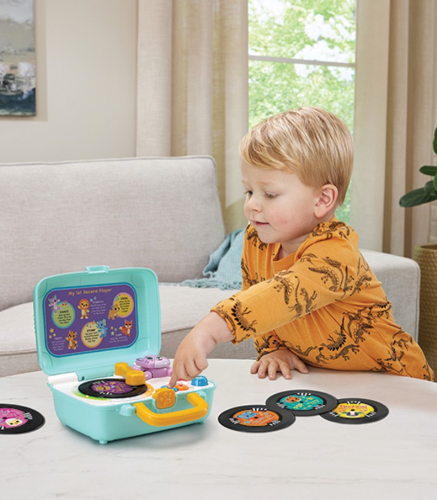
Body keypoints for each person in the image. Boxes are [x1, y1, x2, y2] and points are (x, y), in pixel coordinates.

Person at [169, 106, 434, 387]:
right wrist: (273, 348)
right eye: (249, 190)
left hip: (396, 380)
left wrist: (211, 329)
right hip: (330, 382)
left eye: (270, 194)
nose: (252, 204)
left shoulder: (336, 253)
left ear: (322, 200)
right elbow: (256, 295)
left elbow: (282, 295)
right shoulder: (256, 241)